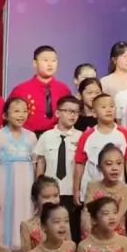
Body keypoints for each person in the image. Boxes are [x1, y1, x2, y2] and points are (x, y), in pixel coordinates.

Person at [0, 97, 37, 252]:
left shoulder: (31, 137)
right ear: (5, 115)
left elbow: (35, 164)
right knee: (4, 220)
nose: (21, 115)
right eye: (16, 111)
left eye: (25, 111)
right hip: (3, 187)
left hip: (26, 187)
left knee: (24, 217)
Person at [33, 95, 81, 238]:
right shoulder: (46, 136)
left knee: (71, 230)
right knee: (49, 229)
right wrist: (39, 187)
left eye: (76, 112)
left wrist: (78, 190)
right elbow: (41, 162)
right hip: (50, 192)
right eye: (69, 111)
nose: (73, 115)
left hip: (71, 191)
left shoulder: (81, 136)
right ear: (57, 113)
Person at [73, 93, 127, 201]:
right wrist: (76, 190)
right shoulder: (87, 135)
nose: (109, 110)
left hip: (117, 193)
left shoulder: (125, 134)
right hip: (91, 192)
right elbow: (80, 164)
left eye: (112, 106)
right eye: (103, 107)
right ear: (94, 113)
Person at [10, 46, 72, 136]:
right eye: (45, 60)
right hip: (28, 137)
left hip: (57, 137)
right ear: (35, 63)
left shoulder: (64, 89)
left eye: (54, 60)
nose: (50, 64)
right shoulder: (20, 90)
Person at [80, 145, 127, 238]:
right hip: (93, 234)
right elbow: (87, 213)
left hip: (116, 236)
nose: (115, 168)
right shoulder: (92, 186)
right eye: (109, 164)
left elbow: (116, 218)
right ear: (99, 167)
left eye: (119, 163)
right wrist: (88, 236)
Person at [20, 175, 58, 252]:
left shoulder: (63, 222)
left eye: (55, 195)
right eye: (46, 197)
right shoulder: (27, 226)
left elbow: (70, 251)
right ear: (34, 200)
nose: (52, 201)